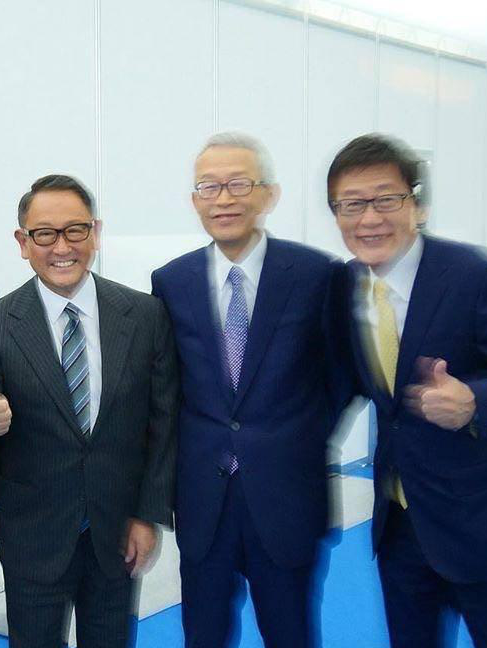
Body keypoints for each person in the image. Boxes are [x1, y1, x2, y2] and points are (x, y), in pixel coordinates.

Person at [328, 133, 487, 648]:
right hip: (400, 524)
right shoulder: (345, 285)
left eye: (386, 199)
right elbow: (344, 385)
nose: (368, 218)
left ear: (417, 206)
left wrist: (475, 401)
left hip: (482, 522)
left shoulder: (474, 275)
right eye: (351, 204)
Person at [0, 174, 178, 648]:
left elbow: (162, 424)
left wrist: (148, 515)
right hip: (33, 532)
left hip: (117, 529)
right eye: (44, 234)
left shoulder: (144, 315)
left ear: (95, 233)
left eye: (75, 230)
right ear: (23, 242)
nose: (62, 247)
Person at [151, 132, 347, 648]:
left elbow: (341, 376)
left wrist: (293, 436)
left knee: (291, 634)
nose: (224, 199)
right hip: (204, 500)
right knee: (203, 635)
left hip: (286, 496)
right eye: (209, 187)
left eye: (239, 184)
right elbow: (169, 386)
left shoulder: (317, 275)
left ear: (270, 194)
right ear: (195, 200)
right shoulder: (171, 281)